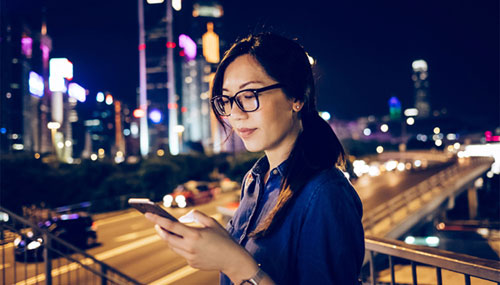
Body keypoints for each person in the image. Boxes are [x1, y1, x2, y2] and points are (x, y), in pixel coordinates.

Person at [145, 33, 365, 284]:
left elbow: (242, 267)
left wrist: (234, 263)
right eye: (226, 100)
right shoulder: (256, 179)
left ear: (296, 97)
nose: (234, 114)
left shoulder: (325, 194)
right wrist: (223, 241)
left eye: (249, 95)